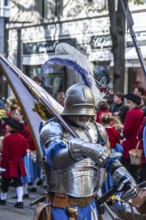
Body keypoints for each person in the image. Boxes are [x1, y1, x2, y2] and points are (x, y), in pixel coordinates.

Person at [36, 82, 139, 220]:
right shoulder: (53, 128)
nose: (84, 116)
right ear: (70, 108)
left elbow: (107, 157)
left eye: (87, 113)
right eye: (80, 112)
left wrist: (120, 172)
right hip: (62, 205)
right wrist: (85, 148)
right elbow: (55, 159)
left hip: (90, 203)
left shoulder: (96, 129)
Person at [0, 117, 27, 208]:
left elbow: (5, 154)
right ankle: (20, 200)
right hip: (18, 162)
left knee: (5, 181)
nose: (6, 126)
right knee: (17, 181)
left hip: (8, 163)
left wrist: (2, 166)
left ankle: (3, 199)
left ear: (11, 127)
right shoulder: (22, 138)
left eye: (8, 125)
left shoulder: (7, 139)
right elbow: (24, 152)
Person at [121, 93, 144, 183]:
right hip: (138, 145)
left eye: (130, 102)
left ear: (135, 104)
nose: (128, 105)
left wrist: (124, 135)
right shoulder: (142, 112)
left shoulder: (130, 113)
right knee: (136, 168)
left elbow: (126, 130)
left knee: (127, 168)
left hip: (130, 145)